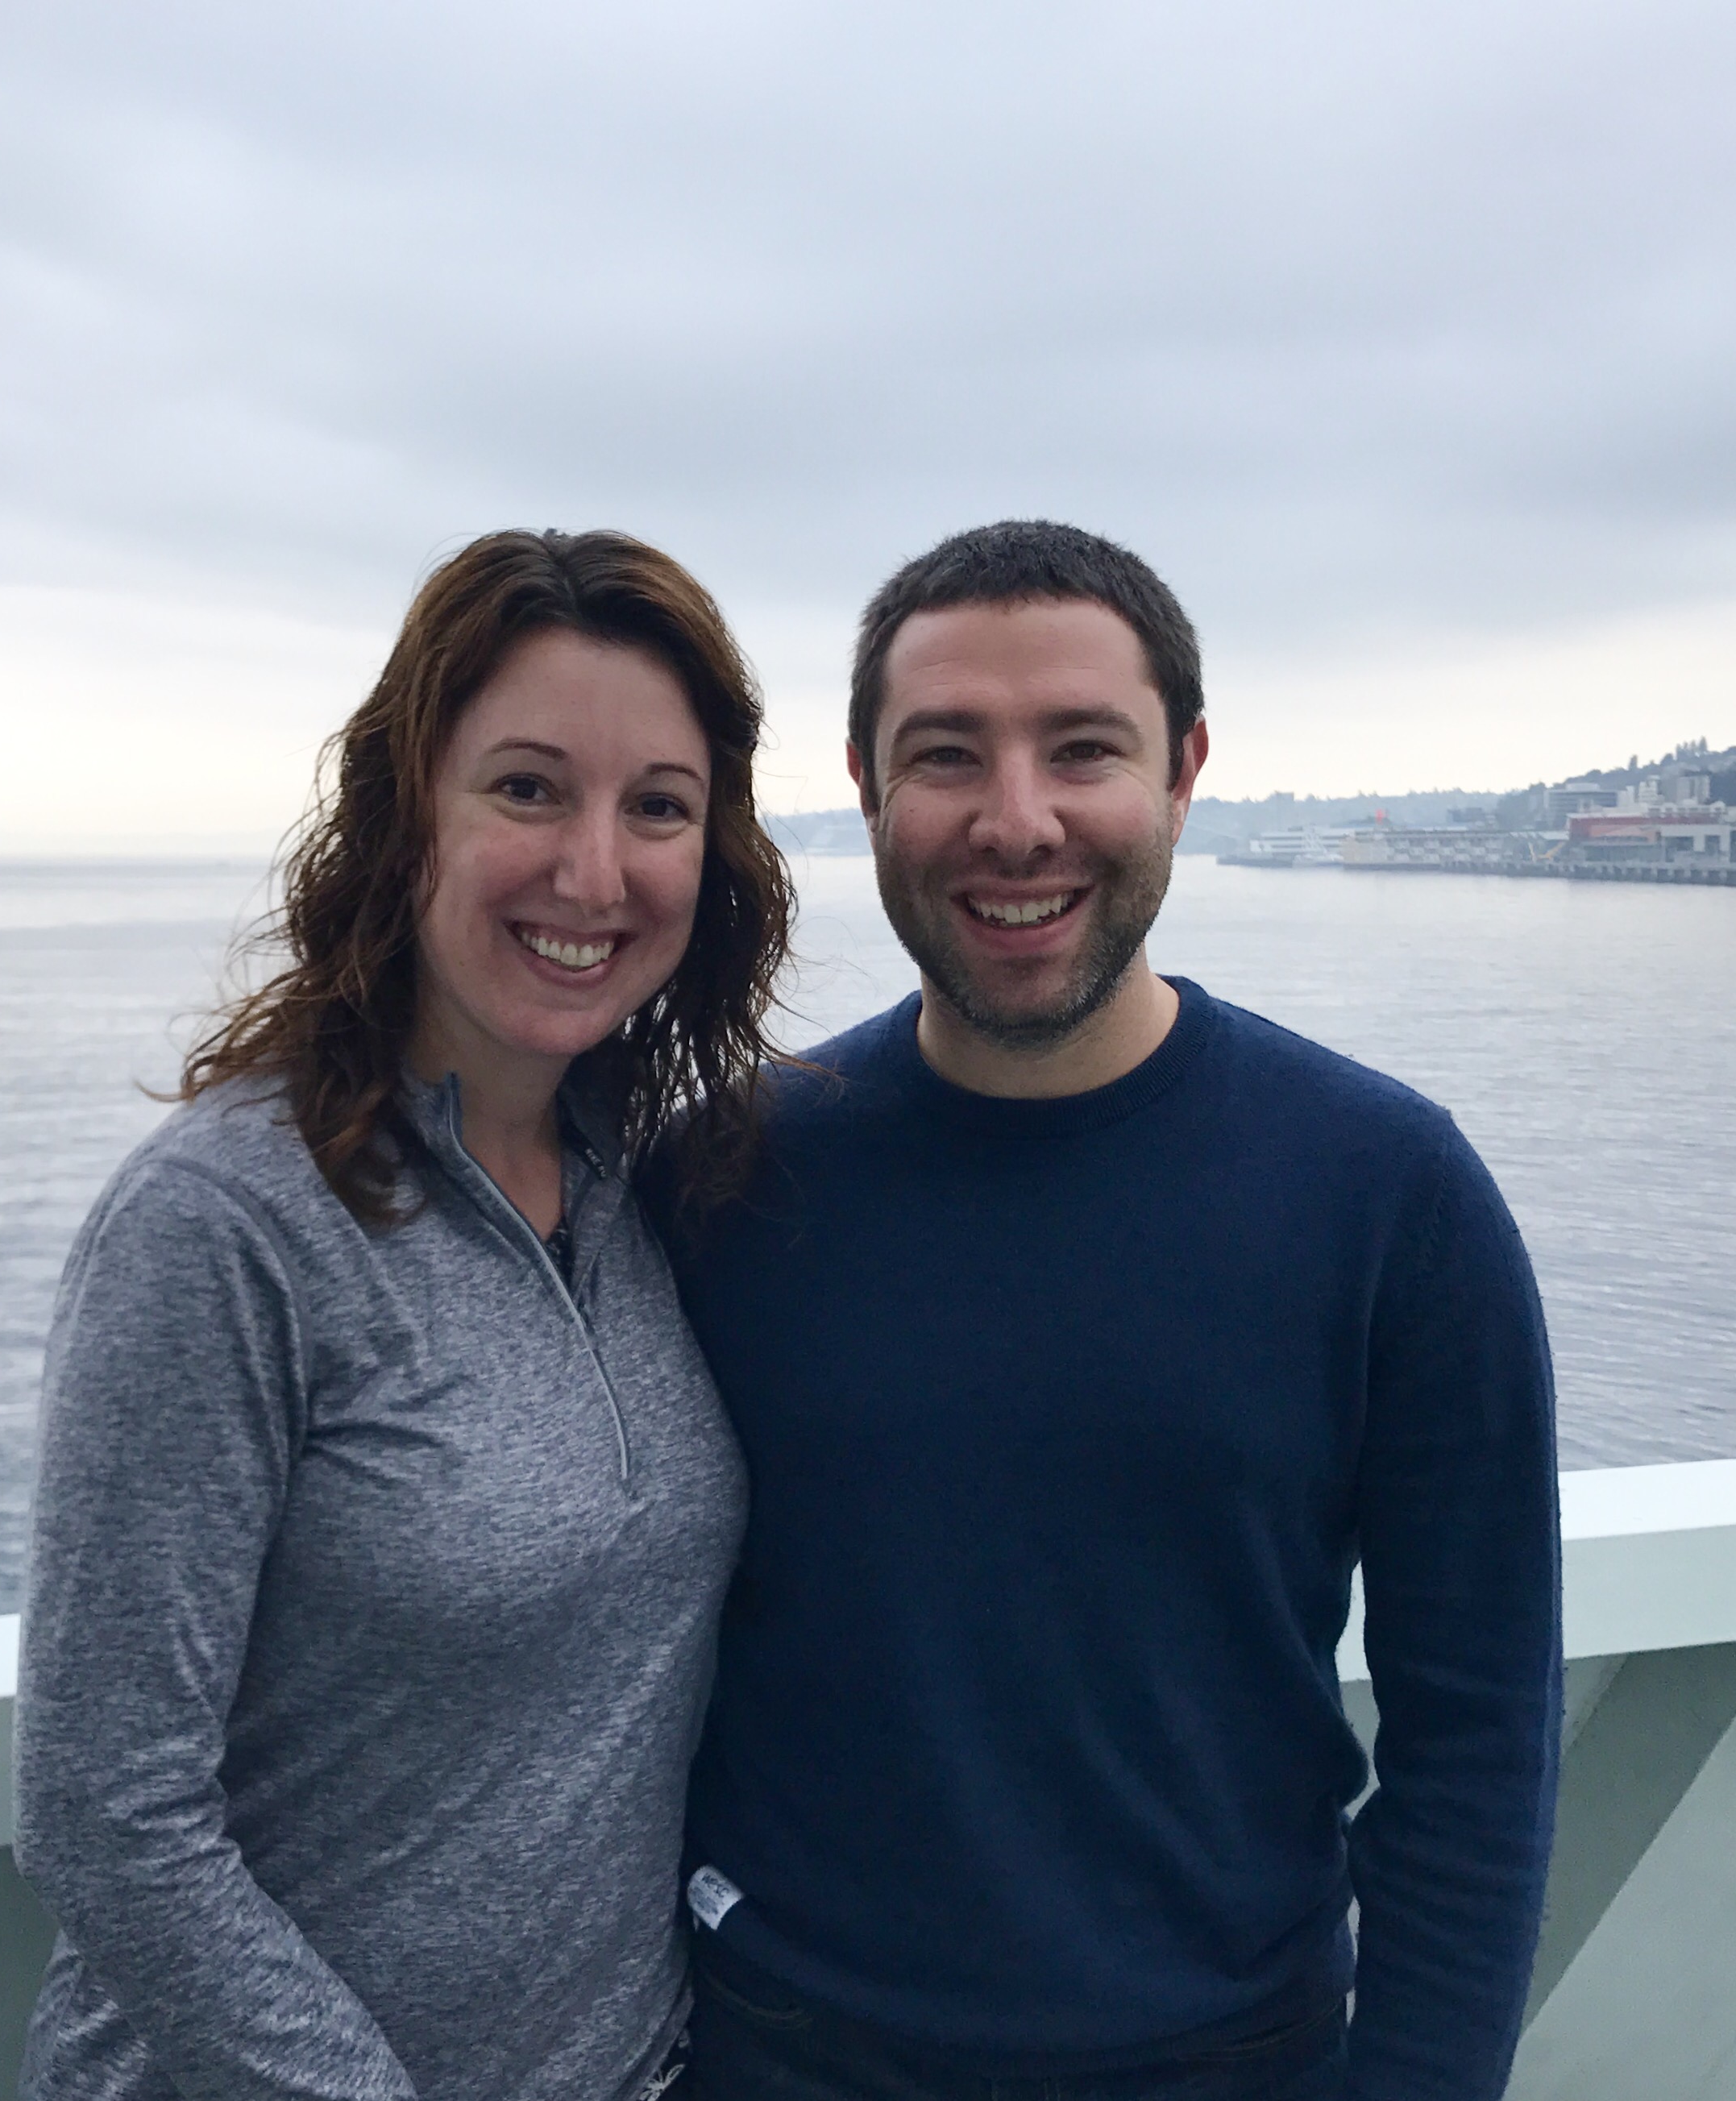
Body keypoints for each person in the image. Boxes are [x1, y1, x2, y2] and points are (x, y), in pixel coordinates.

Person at [660, 521, 1560, 2101]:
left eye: (1085, 749)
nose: (1019, 821)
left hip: (1232, 2062)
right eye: (948, 754)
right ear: (869, 786)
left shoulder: (1387, 1194)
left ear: (1185, 771)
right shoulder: (727, 1180)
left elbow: (1477, 1730)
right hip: (777, 2051)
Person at [12, 529, 794, 2101]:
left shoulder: (637, 1191)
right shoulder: (228, 1222)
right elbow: (107, 1818)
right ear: (406, 811)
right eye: (526, 787)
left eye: (658, 805)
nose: (594, 869)